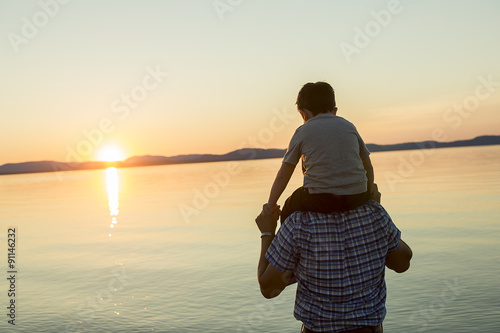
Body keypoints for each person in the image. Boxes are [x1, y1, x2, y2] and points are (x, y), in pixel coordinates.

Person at [255, 184, 412, 332]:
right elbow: (403, 263)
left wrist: (267, 233)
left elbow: (269, 289)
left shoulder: (298, 224)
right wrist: (375, 212)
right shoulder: (374, 214)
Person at [267, 82, 374, 224]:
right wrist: (369, 194)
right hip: (357, 196)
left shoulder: (302, 131)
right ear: (334, 110)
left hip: (321, 199)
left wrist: (271, 205)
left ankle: (286, 241)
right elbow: (368, 165)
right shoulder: (349, 126)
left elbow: (284, 173)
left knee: (289, 206)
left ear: (303, 113)